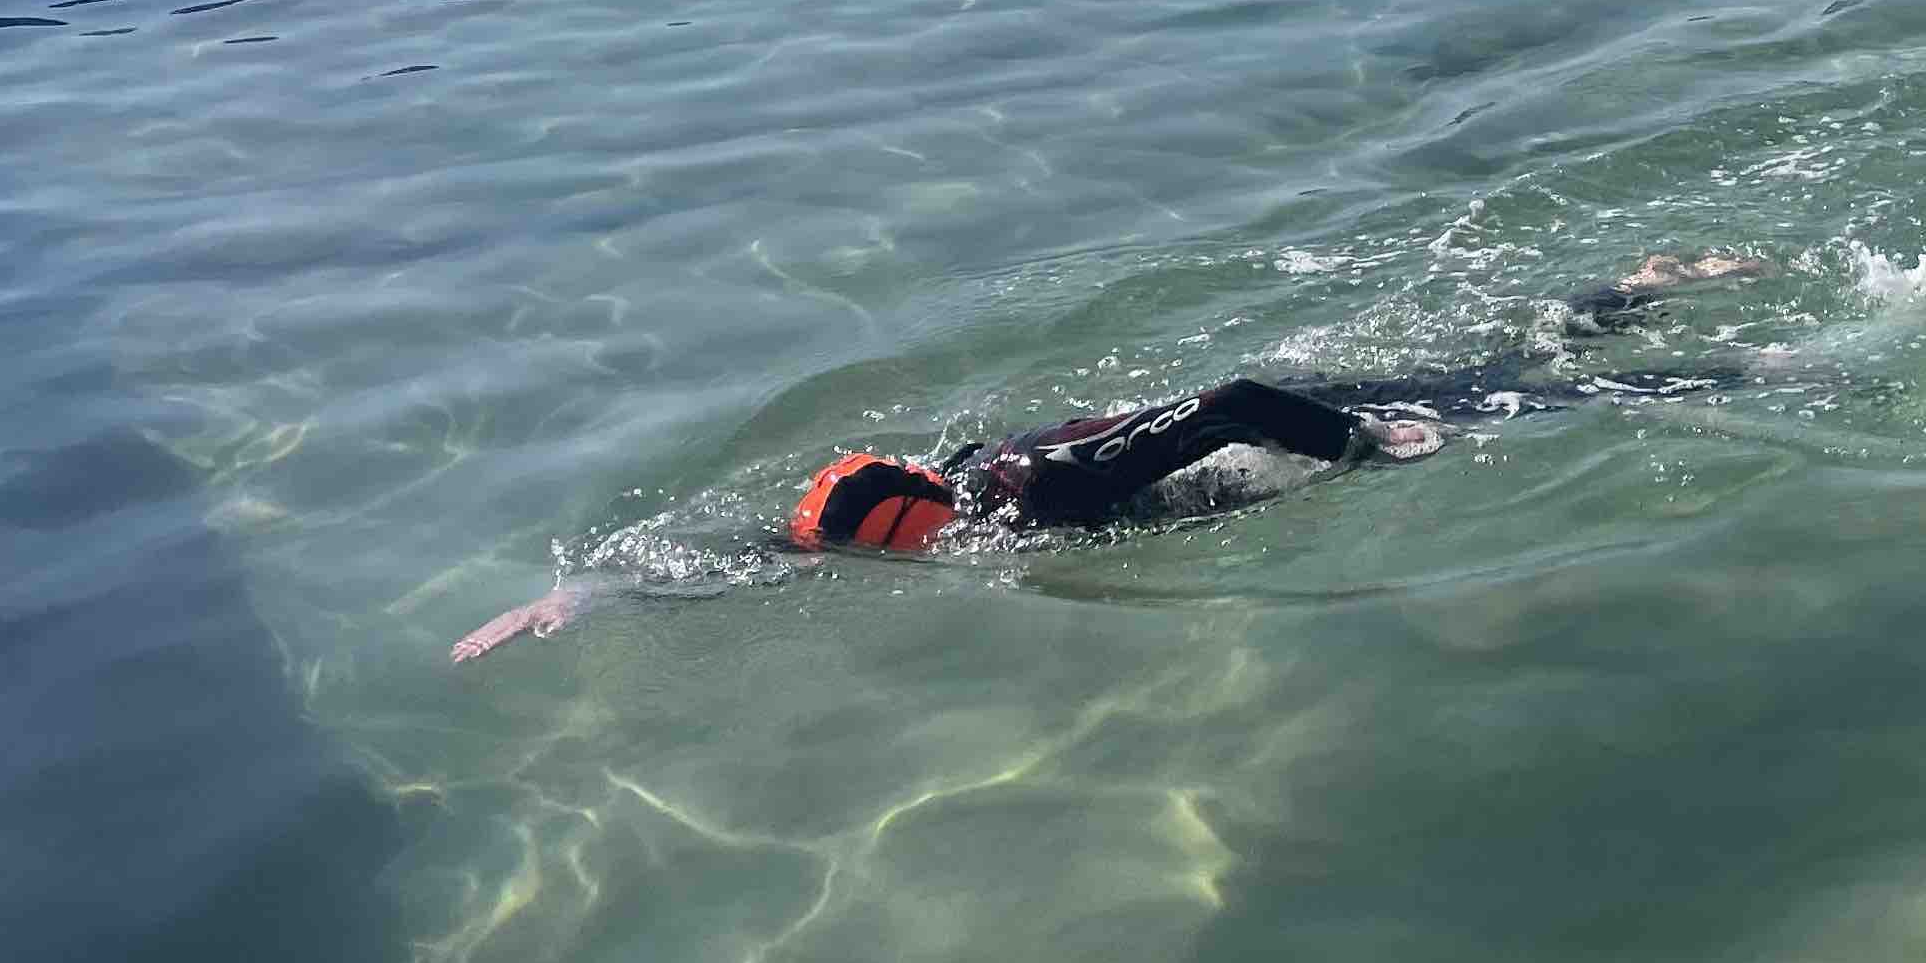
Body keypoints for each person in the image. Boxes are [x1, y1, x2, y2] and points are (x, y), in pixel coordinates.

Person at [449, 254, 1768, 664]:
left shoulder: (1049, 499)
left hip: (1294, 429)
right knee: (1513, 367)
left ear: (924, 528)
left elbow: (1238, 399)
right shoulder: (929, 502)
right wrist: (587, 593)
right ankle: (1634, 298)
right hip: (1242, 446)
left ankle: (1712, 344)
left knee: (1517, 395)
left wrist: (1366, 450)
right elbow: (756, 559)